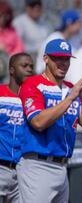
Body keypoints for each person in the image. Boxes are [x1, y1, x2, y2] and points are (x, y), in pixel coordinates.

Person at [17, 39, 82, 203]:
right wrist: (70, 99)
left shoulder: (70, 88)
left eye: (66, 59)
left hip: (62, 166)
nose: (62, 63)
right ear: (46, 58)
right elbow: (38, 122)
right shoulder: (33, 84)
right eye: (57, 58)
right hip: (38, 165)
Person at [0, 52, 34, 203]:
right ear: (12, 70)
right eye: (24, 66)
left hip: (23, 172)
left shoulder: (34, 98)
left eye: (31, 66)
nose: (29, 69)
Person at [35, 9, 82, 73]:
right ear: (69, 24)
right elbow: (45, 65)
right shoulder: (54, 39)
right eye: (78, 22)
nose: (80, 25)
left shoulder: (74, 39)